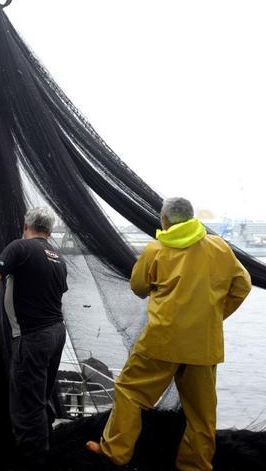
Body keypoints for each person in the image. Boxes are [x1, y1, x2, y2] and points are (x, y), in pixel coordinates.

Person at [86, 197, 252, 470]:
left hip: (161, 341)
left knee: (130, 391)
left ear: (163, 220)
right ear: (192, 217)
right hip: (203, 344)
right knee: (201, 412)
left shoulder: (156, 250)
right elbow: (242, 286)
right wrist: (213, 317)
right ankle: (195, 465)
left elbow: (138, 287)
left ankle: (115, 452)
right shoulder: (220, 247)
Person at [0, 207, 68, 469]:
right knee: (40, 397)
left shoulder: (21, 247)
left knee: (27, 406)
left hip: (33, 337)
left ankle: (32, 460)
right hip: (56, 333)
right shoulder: (57, 257)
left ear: (26, 225)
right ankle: (44, 443)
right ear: (49, 231)